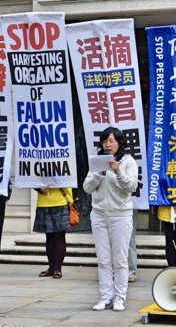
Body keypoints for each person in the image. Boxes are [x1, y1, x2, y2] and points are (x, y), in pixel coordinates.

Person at [83, 127, 138, 312]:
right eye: (105, 141)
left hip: (120, 216)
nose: (108, 144)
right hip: (99, 215)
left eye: (112, 141)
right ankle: (105, 297)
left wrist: (118, 171)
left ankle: (119, 297)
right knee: (103, 260)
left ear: (120, 143)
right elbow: (87, 188)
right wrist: (99, 173)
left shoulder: (128, 161)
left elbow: (131, 186)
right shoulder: (97, 162)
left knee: (120, 260)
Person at [32, 186, 72, 280]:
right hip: (44, 202)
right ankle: (52, 267)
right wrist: (39, 189)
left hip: (61, 201)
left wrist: (70, 200)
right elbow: (30, 179)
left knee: (59, 237)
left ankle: (57, 268)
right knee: (49, 237)